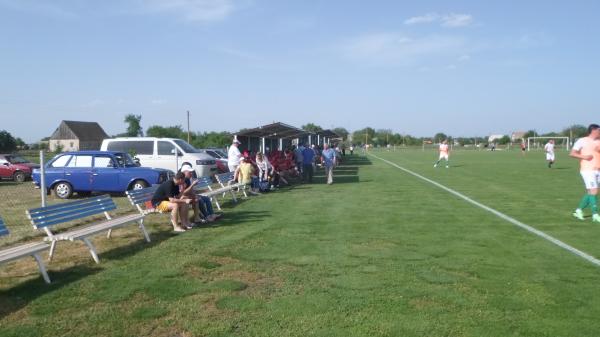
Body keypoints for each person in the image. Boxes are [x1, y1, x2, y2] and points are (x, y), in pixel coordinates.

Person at [570, 124, 600, 222]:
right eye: (599, 130)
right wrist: (585, 157)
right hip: (588, 170)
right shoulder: (582, 140)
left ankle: (578, 211)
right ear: (593, 130)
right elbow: (572, 153)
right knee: (594, 191)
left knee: (592, 192)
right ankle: (595, 215)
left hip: (598, 170)